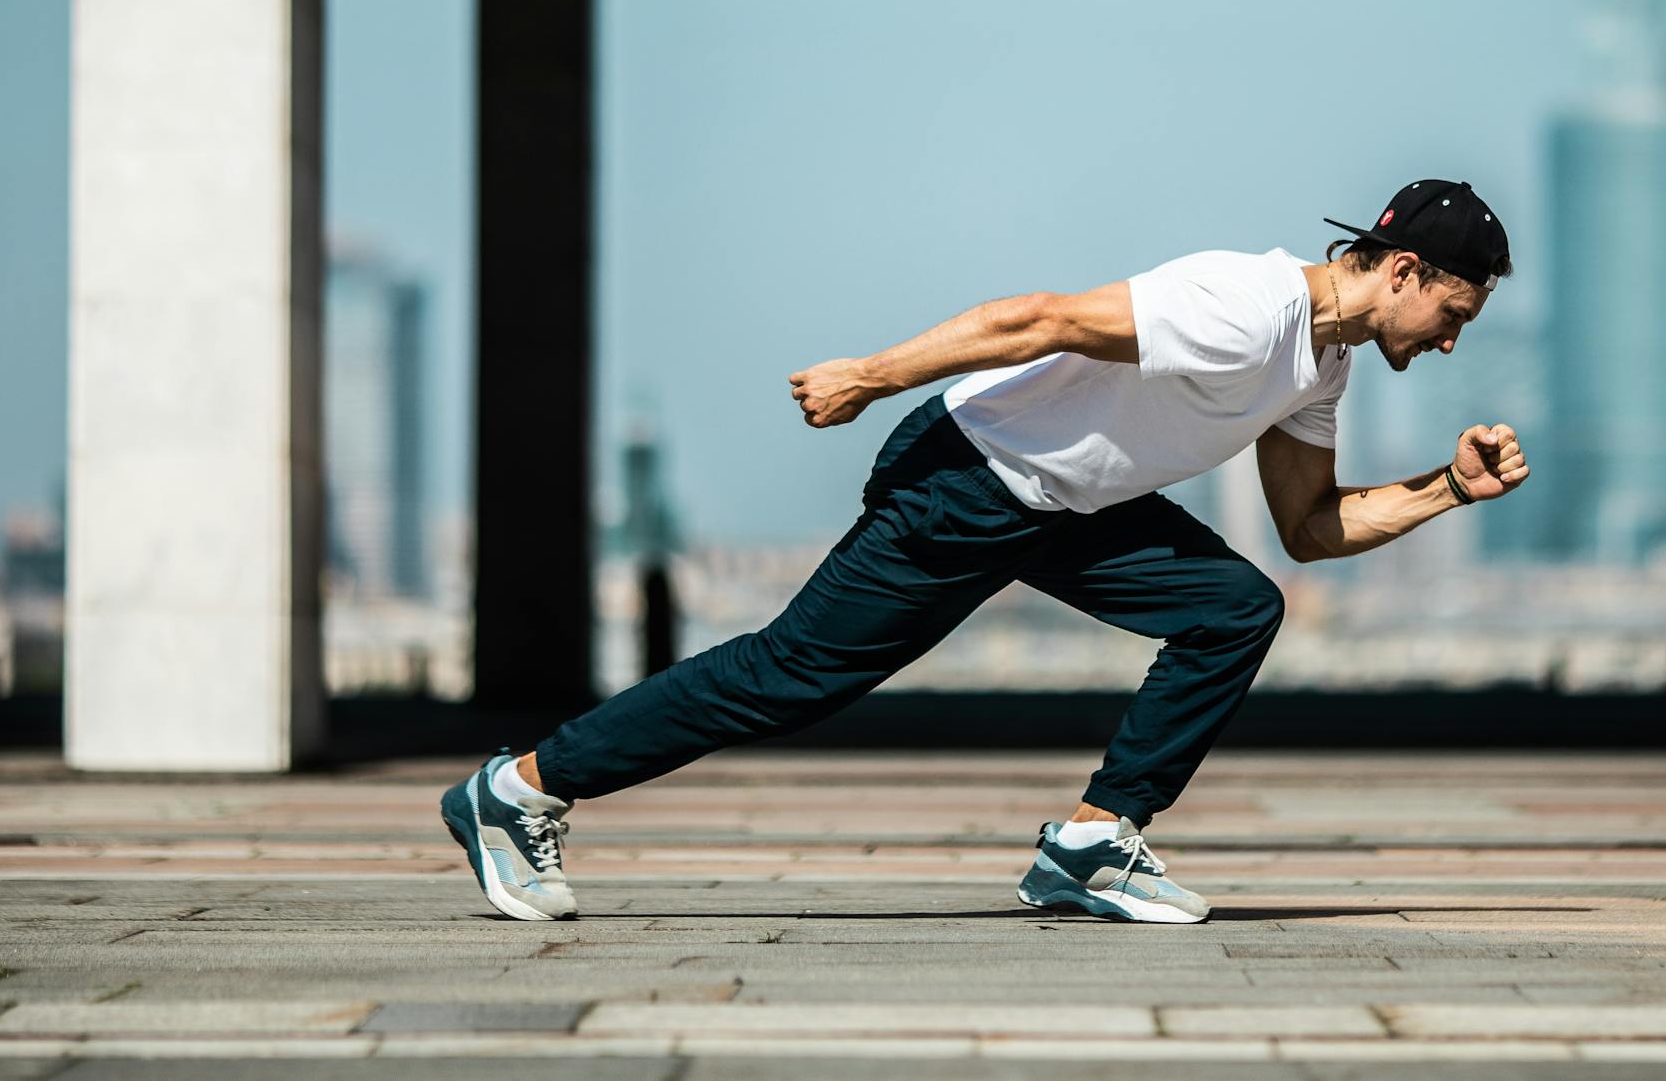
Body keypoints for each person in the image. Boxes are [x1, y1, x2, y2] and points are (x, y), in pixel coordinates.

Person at [441, 178, 1531, 924]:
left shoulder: (1317, 365)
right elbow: (1038, 318)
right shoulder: (1246, 309)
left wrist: (1445, 489)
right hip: (968, 478)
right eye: (1453, 310)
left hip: (1072, 509)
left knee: (1233, 606)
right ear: (1398, 269)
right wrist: (871, 375)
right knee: (792, 677)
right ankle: (521, 789)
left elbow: (1310, 529)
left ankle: (1095, 845)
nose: (1450, 339)